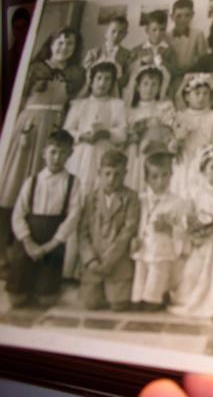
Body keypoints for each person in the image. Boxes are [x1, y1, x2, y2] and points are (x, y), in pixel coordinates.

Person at [5, 130, 81, 308]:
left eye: (62, 153)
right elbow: (18, 214)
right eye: (53, 152)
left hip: (53, 242)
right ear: (44, 153)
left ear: (70, 154)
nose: (57, 158)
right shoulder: (32, 181)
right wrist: (28, 242)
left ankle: (44, 287)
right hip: (28, 241)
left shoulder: (73, 183)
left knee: (46, 300)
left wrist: (51, 245)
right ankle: (24, 286)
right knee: (16, 299)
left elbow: (73, 216)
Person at [169, 146, 213, 318]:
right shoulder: (196, 193)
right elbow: (188, 218)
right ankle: (190, 296)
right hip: (203, 239)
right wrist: (194, 231)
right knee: (194, 268)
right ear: (204, 169)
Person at [131, 142, 190, 311]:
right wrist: (134, 238)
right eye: (155, 177)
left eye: (165, 175)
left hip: (162, 251)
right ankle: (140, 297)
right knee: (139, 285)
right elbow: (135, 222)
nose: (161, 181)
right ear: (147, 179)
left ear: (171, 175)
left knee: (152, 296)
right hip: (143, 248)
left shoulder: (178, 203)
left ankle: (158, 295)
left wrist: (170, 229)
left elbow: (184, 230)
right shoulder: (141, 200)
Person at [79, 149, 140, 312]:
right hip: (95, 261)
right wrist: (90, 260)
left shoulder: (131, 198)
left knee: (118, 306)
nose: (111, 179)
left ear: (125, 173)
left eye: (117, 174)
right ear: (99, 172)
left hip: (117, 261)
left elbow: (128, 231)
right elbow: (83, 234)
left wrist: (110, 261)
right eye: (107, 174)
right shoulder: (91, 198)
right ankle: (98, 287)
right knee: (91, 304)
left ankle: (115, 291)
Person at [64, 61, 127, 196]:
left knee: (100, 187)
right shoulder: (79, 104)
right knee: (77, 189)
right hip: (81, 153)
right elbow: (67, 130)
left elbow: (122, 133)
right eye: (99, 78)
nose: (102, 83)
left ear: (112, 83)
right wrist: (82, 136)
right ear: (91, 81)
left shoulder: (117, 105)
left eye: (107, 79)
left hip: (104, 152)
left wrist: (106, 133)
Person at [124, 66, 175, 193]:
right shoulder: (131, 111)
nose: (149, 88)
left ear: (159, 87)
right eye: (145, 84)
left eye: (154, 85)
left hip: (157, 151)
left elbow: (170, 130)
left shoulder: (164, 108)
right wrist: (136, 133)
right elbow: (124, 135)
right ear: (138, 87)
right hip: (136, 153)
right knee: (135, 181)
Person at [167, 73, 213, 195]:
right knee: (182, 189)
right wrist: (177, 141)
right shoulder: (180, 116)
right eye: (197, 93)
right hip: (185, 159)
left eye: (205, 93)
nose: (201, 97)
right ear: (187, 97)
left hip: (205, 159)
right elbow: (172, 143)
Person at [130, 10, 177, 99]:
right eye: (154, 30)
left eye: (162, 30)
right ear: (147, 30)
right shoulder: (137, 50)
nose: (158, 34)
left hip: (163, 93)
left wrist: (163, 63)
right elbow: (129, 72)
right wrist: (141, 61)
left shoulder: (170, 50)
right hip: (141, 95)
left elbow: (175, 73)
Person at [83, 16, 133, 93]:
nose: (116, 35)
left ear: (125, 34)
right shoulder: (93, 52)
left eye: (120, 32)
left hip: (115, 92)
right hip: (93, 92)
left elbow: (127, 79)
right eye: (113, 31)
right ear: (106, 32)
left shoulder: (128, 55)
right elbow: (85, 74)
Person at [166, 0, 207, 78]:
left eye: (187, 15)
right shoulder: (166, 36)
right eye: (179, 16)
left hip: (191, 76)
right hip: (170, 76)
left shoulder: (198, 34)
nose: (183, 19)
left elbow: (203, 60)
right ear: (172, 17)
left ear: (192, 15)